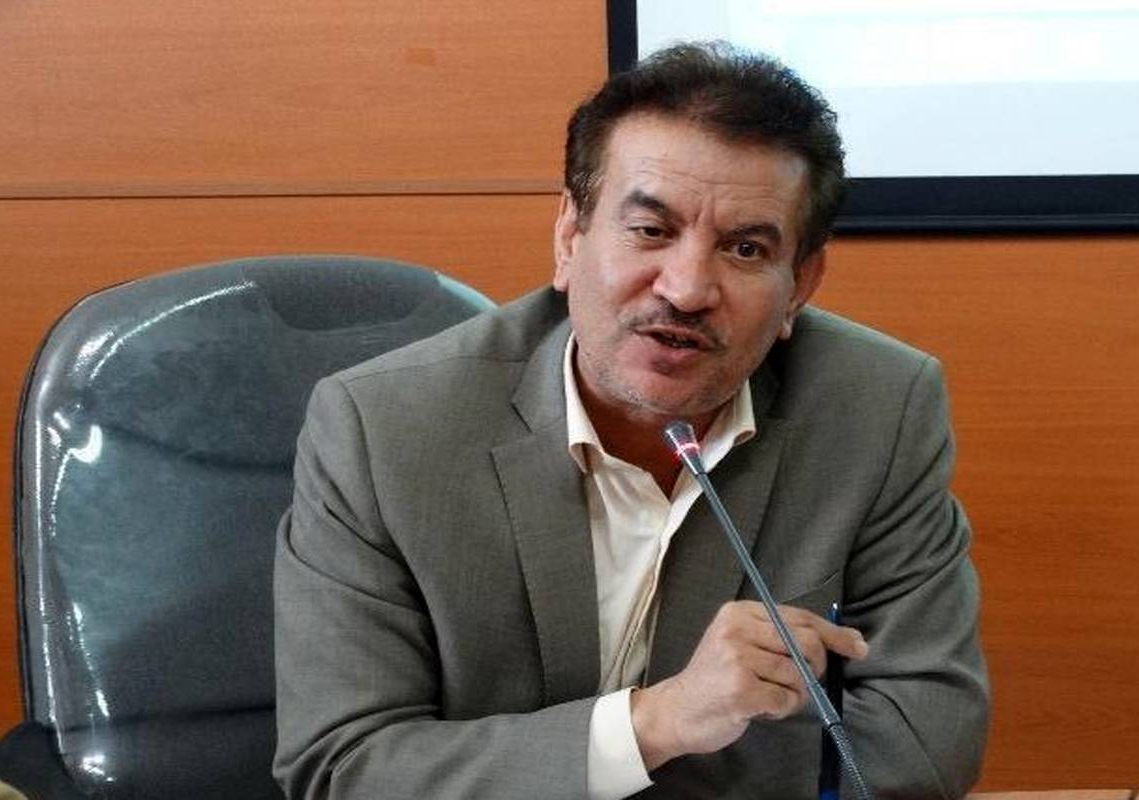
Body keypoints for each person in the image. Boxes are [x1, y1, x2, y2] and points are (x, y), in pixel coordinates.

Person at [273, 42, 989, 799]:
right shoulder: (382, 429)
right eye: (651, 230)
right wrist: (659, 723)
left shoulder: (878, 407)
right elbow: (344, 769)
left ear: (800, 286)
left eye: (745, 248)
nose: (686, 289)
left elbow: (926, 742)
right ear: (568, 237)